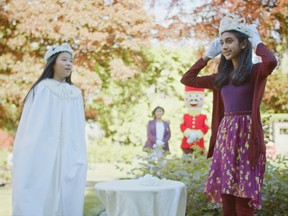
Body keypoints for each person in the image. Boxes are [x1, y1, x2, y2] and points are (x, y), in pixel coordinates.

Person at [180, 13, 277, 216]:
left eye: (229, 41)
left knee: (243, 200)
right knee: (227, 199)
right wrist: (207, 56)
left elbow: (271, 62)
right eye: (222, 42)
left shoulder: (254, 72)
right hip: (226, 139)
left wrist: (257, 42)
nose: (224, 46)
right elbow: (187, 79)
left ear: (243, 44)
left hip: (247, 138)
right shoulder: (220, 78)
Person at [12, 43, 88, 216]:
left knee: (68, 194)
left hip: (69, 153)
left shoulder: (75, 93)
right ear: (52, 62)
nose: (69, 64)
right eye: (64, 59)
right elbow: (34, 125)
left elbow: (77, 129)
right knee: (40, 191)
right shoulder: (43, 89)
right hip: (43, 152)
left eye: (71, 60)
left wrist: (76, 152)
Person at [180, 86, 209, 154]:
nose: (193, 100)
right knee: (186, 160)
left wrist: (197, 135)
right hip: (187, 143)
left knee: (198, 160)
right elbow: (182, 126)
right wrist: (189, 134)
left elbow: (205, 127)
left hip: (199, 142)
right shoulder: (185, 116)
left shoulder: (203, 117)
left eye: (196, 98)